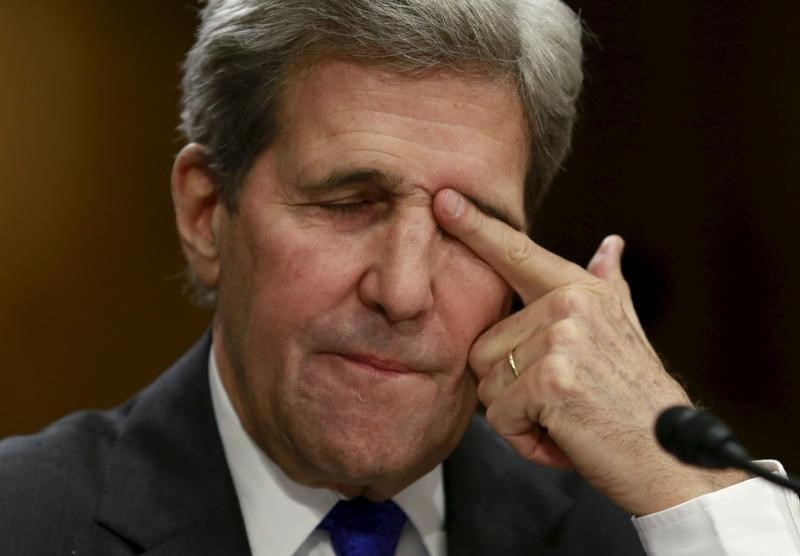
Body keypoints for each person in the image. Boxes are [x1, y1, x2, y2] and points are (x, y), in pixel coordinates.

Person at [1, 0, 798, 554]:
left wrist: (684, 476)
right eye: (350, 202)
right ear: (208, 213)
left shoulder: (654, 531)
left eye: (470, 228)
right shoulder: (23, 521)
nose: (405, 291)